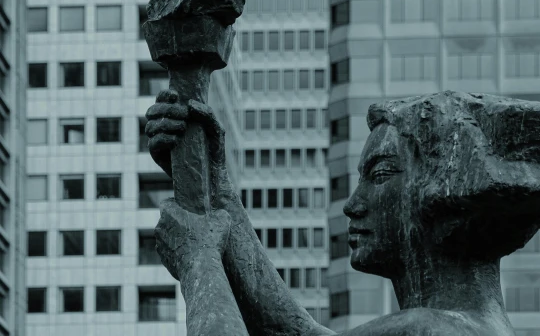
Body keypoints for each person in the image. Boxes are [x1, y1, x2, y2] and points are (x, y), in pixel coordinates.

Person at [146, 90, 540, 336]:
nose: (353, 204)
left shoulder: (429, 329)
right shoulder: (461, 327)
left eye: (381, 175)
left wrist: (198, 262)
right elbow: (293, 331)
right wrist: (215, 186)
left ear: (442, 195)